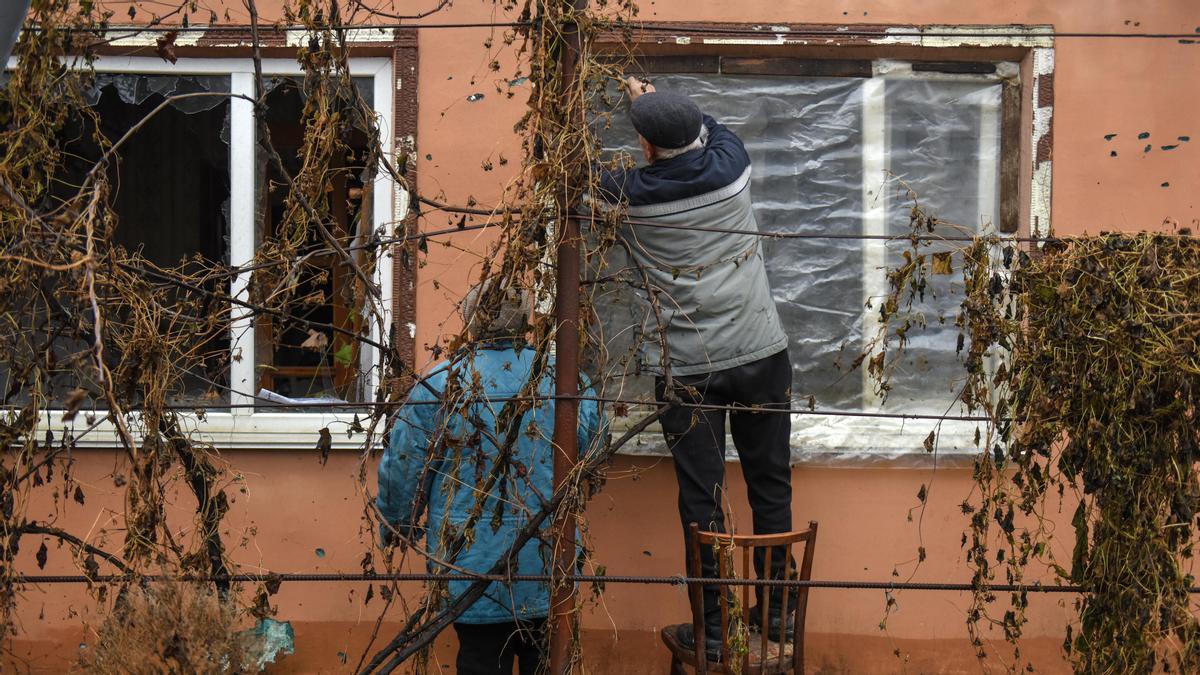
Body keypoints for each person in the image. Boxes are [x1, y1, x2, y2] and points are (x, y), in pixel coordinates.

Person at [596, 77, 795, 657]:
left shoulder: (629, 193)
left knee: (702, 501)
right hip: (761, 353)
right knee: (771, 485)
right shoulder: (732, 169)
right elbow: (715, 130)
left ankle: (713, 635)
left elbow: (568, 183)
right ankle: (777, 617)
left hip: (689, 369)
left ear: (647, 146)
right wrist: (657, 99)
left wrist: (640, 107)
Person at [377, 281, 604, 675]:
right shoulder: (568, 382)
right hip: (549, 565)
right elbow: (592, 451)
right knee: (548, 661)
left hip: (469, 568)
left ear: (469, 320)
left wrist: (398, 525)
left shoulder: (440, 384)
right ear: (527, 322)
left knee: (481, 660)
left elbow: (405, 466)